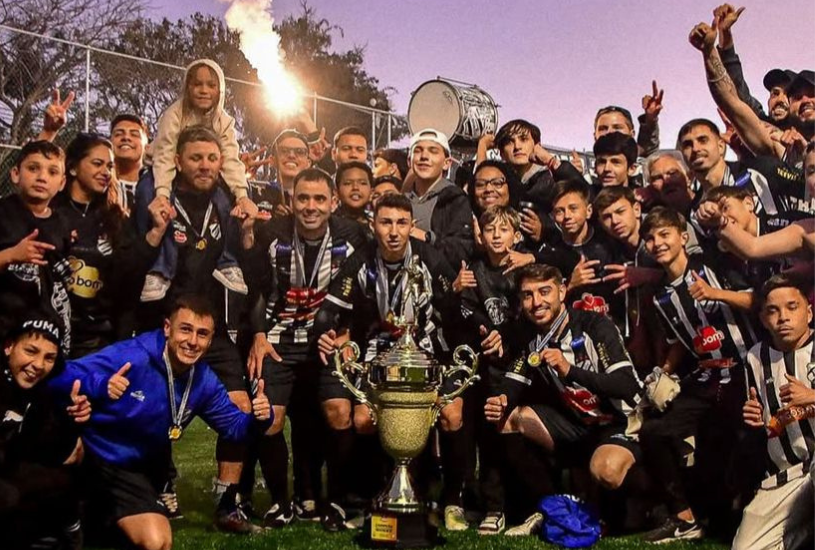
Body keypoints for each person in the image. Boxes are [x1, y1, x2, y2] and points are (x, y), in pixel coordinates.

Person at [50, 295, 272, 549]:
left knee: (158, 542)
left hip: (133, 472)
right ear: (167, 328)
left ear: (210, 340)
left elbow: (235, 430)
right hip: (92, 458)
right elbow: (57, 375)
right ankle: (71, 514)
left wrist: (259, 419)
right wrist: (100, 385)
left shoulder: (203, 381)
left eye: (202, 334)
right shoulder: (132, 356)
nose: (192, 341)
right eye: (185, 330)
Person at [314, 193, 471, 531]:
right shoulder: (361, 261)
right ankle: (370, 496)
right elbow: (329, 309)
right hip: (379, 352)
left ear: (412, 225)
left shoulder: (430, 258)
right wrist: (327, 332)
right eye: (386, 222)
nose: (394, 231)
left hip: (428, 350)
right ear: (374, 225)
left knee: (452, 413)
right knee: (363, 418)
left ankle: (453, 500)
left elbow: (457, 310)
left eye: (401, 223)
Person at [133, 126, 259, 533]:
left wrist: (247, 232)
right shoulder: (158, 200)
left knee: (239, 408)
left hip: (214, 329)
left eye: (211, 158)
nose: (204, 165)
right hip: (168, 326)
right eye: (195, 158)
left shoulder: (226, 200)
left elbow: (246, 263)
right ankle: (162, 482)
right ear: (179, 162)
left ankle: (227, 500)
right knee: (154, 408)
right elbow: (136, 258)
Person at [241, 167, 368, 531]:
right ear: (291, 200)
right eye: (302, 198)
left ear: (332, 202)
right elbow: (258, 289)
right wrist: (259, 334)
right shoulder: (273, 234)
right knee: (268, 417)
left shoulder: (353, 235)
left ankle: (340, 502)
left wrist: (350, 335)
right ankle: (282, 502)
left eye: (318, 199)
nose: (310, 207)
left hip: (328, 341)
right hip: (280, 339)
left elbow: (365, 292)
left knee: (340, 412)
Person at [484, 264, 642, 536]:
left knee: (607, 471)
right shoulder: (529, 333)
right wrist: (501, 398)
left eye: (544, 292)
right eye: (527, 295)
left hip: (620, 424)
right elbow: (516, 374)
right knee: (508, 418)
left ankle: (643, 501)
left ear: (562, 291)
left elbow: (628, 386)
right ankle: (550, 508)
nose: (536, 303)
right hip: (577, 424)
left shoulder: (595, 325)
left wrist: (571, 371)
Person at [637, 207, 758, 544]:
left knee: (732, 445)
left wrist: (716, 293)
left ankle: (739, 513)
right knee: (654, 432)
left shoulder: (712, 267)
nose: (657, 242)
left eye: (664, 234)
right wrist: (666, 370)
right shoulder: (660, 296)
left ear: (683, 236)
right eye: (650, 237)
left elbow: (757, 301)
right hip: (705, 377)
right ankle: (684, 516)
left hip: (743, 371)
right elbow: (679, 341)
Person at [139, 59, 258, 300]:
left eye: (211, 85)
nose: (204, 90)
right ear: (187, 87)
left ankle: (227, 262)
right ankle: (160, 269)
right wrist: (162, 194)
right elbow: (163, 157)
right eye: (197, 84)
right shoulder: (174, 114)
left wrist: (242, 195)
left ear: (220, 90)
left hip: (203, 174)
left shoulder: (224, 121)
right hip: (167, 169)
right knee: (145, 189)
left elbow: (231, 160)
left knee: (234, 199)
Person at [52, 133, 171, 357]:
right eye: (97, 164)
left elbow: (129, 273)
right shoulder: (50, 213)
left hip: (99, 340)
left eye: (109, 166)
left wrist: (156, 232)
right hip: (52, 336)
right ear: (73, 168)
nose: (105, 172)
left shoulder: (115, 219)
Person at [735, 274, 814, 550]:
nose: (783, 317)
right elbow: (769, 422)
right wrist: (755, 419)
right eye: (773, 310)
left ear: (809, 311)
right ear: (763, 319)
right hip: (787, 473)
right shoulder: (756, 357)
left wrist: (812, 396)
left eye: (792, 307)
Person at [0, 316, 90, 550]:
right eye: (31, 351)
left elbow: (66, 455)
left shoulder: (42, 394)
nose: (39, 364)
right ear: (9, 346)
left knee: (63, 476)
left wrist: (74, 418)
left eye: (49, 358)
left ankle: (60, 529)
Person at [0, 141, 72, 354]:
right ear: (15, 174)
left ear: (62, 182)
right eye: (33, 169)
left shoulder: (63, 224)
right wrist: (11, 255)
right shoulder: (4, 213)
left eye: (52, 172)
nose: (42, 177)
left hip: (42, 334)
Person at [404, 128, 474, 267]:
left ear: (446, 163)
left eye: (433, 151)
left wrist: (427, 237)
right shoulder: (400, 201)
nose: (424, 156)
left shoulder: (456, 200)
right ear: (409, 161)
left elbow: (462, 250)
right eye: (418, 150)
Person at [110, 114, 149, 212]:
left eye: (134, 134)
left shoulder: (157, 187)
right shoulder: (99, 185)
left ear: (146, 146)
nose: (126, 137)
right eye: (118, 134)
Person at [334, 161, 373, 227]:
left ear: (371, 192)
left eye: (362, 183)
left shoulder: (375, 225)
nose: (355, 187)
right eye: (348, 183)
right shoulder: (329, 225)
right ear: (336, 192)